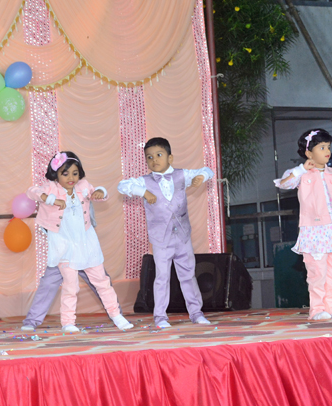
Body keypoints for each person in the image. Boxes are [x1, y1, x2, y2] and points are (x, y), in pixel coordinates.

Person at [27, 151, 133, 333]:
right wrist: (49, 199)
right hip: (64, 245)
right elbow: (31, 192)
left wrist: (100, 192)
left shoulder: (83, 186)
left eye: (75, 173)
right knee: (70, 286)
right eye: (65, 173)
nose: (71, 178)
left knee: (102, 281)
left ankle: (117, 316)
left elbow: (99, 193)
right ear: (56, 174)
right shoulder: (51, 188)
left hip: (86, 241)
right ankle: (68, 322)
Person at [118, 137, 213, 328]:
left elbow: (207, 170)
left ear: (170, 158)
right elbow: (122, 186)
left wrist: (201, 177)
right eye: (149, 157)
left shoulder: (181, 175)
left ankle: (196, 313)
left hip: (182, 236)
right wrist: (143, 192)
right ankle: (160, 317)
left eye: (159, 155)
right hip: (161, 238)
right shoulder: (144, 181)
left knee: (188, 275)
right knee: (162, 277)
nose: (154, 160)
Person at [274, 129, 332, 320]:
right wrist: (301, 169)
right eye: (322, 147)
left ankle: (331, 307)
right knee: (317, 273)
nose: (327, 151)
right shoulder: (302, 173)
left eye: (328, 147)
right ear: (309, 153)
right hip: (313, 230)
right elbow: (284, 184)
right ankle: (316, 309)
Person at [21, 203, 119, 331]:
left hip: (83, 250)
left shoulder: (82, 194)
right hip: (63, 252)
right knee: (48, 284)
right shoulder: (52, 196)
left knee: (100, 282)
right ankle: (32, 320)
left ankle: (117, 315)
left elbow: (89, 218)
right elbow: (46, 221)